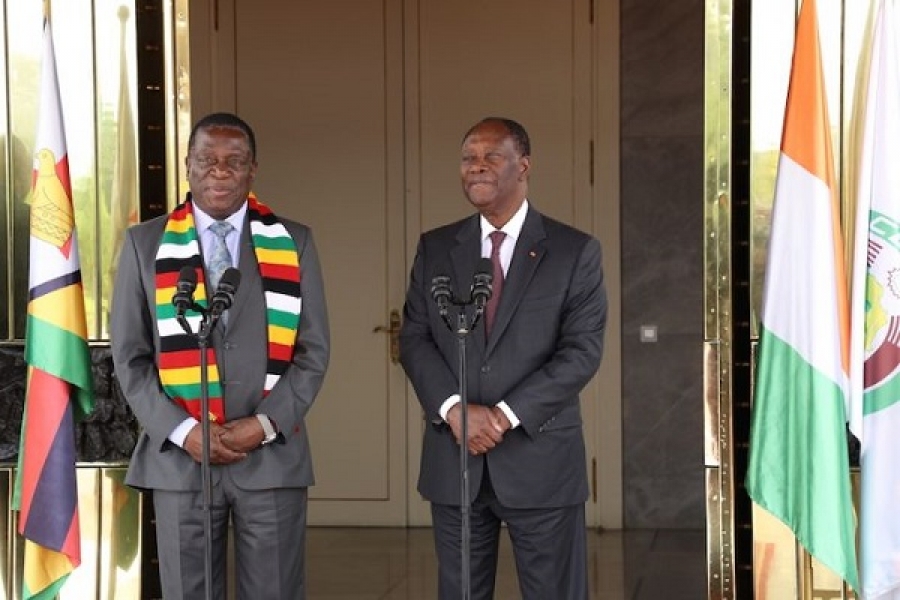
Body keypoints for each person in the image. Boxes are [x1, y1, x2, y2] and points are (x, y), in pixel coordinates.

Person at [110, 112, 329, 600]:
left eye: (235, 160)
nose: (220, 170)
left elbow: (313, 352)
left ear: (253, 169)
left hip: (270, 457)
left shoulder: (293, 241)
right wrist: (183, 430)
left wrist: (264, 424)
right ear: (188, 165)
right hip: (180, 461)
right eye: (207, 159)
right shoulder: (146, 243)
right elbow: (130, 356)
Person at [399, 117, 607, 599]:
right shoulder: (436, 247)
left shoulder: (573, 251)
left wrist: (502, 416)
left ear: (524, 166)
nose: (476, 167)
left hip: (542, 461)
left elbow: (581, 351)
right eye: (468, 158)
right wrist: (455, 409)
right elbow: (414, 337)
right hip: (455, 462)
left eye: (491, 156)